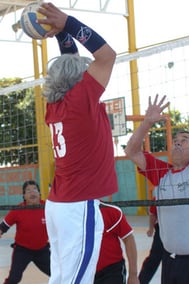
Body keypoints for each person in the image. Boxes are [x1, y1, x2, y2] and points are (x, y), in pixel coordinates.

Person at [38, 3, 118, 283]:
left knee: (61, 277)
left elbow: (69, 61)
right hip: (77, 206)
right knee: (77, 280)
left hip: (59, 204)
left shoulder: (55, 105)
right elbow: (107, 56)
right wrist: (68, 23)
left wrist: (61, 35)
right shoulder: (80, 102)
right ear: (78, 80)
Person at [125, 69, 189, 284]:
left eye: (185, 139)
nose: (177, 142)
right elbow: (131, 151)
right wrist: (146, 123)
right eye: (176, 139)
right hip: (171, 261)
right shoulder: (162, 173)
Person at [0, 180, 50, 284]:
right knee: (14, 279)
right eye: (28, 191)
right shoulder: (18, 209)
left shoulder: (48, 207)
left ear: (40, 193)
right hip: (22, 251)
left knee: (58, 273)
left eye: (35, 190)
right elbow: (3, 226)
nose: (32, 193)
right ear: (24, 196)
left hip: (42, 250)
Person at [94, 203, 139, 284]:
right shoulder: (69, 215)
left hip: (111, 271)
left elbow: (128, 239)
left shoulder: (110, 211)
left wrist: (133, 275)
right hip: (83, 272)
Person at [138, 204, 164, 283]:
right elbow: (153, 213)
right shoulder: (160, 195)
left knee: (172, 261)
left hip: (177, 231)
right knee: (154, 258)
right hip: (162, 230)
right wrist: (151, 229)